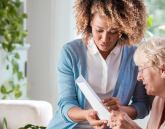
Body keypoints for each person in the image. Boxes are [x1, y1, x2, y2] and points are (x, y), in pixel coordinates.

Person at [47, 0, 150, 129]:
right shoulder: (70, 53)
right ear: (90, 22)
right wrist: (87, 115)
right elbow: (66, 104)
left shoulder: (134, 55)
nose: (105, 39)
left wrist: (120, 110)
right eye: (99, 30)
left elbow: (142, 105)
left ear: (123, 28)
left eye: (113, 31)